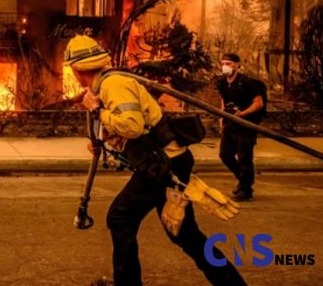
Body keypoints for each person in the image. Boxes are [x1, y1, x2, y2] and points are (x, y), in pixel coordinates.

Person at [64, 35, 246, 286]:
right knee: (184, 234)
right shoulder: (106, 84)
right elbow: (126, 123)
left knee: (120, 218)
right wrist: (101, 138)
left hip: (163, 164)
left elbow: (132, 125)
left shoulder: (112, 84)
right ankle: (232, 283)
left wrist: (97, 110)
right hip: (167, 161)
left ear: (76, 69)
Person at [216, 53, 265, 201]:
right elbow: (224, 100)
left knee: (244, 157)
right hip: (230, 124)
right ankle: (244, 182)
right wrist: (221, 117)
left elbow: (258, 103)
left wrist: (242, 114)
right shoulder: (222, 82)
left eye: (229, 63)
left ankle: (246, 190)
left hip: (246, 124)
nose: (225, 66)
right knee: (225, 155)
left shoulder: (248, 83)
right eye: (223, 63)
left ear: (237, 65)